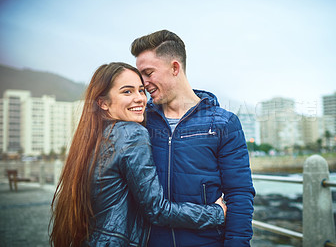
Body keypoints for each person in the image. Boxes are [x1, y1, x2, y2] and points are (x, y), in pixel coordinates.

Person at [49, 62, 227, 247]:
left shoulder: (93, 137)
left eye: (141, 90)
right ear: (103, 103)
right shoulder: (132, 134)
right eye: (127, 92)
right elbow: (157, 210)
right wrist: (215, 213)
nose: (140, 98)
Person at [130, 30, 255, 247]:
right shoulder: (139, 122)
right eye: (140, 75)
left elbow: (239, 195)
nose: (143, 83)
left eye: (148, 73)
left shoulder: (223, 123)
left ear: (175, 68)